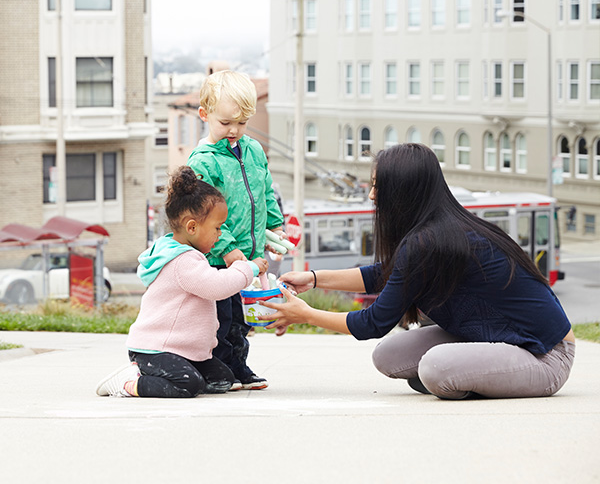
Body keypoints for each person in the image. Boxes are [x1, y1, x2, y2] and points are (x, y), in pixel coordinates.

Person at [263, 143, 575, 400]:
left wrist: (305, 314)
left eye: (377, 186)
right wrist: (315, 279)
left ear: (403, 191)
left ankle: (470, 377)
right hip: (493, 340)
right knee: (389, 357)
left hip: (544, 355)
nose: (372, 195)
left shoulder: (432, 239)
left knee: (436, 368)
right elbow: (383, 273)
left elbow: (372, 323)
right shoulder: (434, 233)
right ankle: (472, 373)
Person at [95, 166, 269, 398]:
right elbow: (218, 287)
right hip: (156, 350)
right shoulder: (182, 261)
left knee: (223, 380)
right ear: (192, 227)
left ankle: (182, 372)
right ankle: (128, 382)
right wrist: (248, 268)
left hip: (183, 351)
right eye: (217, 228)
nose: (220, 234)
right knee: (188, 385)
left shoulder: (188, 255)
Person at [187, 70, 285, 390]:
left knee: (239, 320)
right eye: (225, 123)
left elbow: (264, 189)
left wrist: (274, 222)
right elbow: (205, 213)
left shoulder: (253, 150)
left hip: (246, 253)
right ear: (205, 115)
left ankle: (237, 367)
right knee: (219, 318)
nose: (234, 131)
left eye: (242, 123)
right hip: (218, 256)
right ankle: (217, 370)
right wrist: (227, 248)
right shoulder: (204, 161)